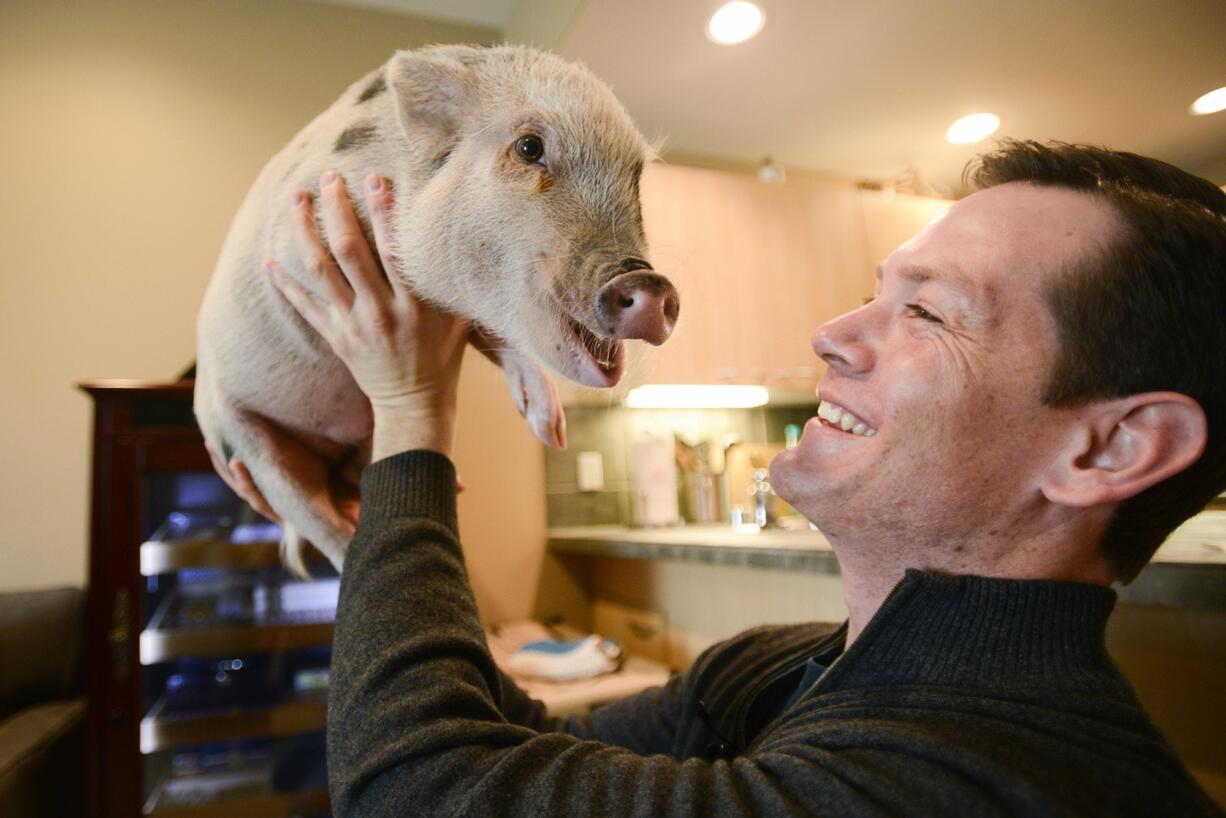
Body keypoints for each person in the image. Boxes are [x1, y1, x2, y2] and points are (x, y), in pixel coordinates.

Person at [216, 140, 1226, 816]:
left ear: (1112, 448)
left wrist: (409, 417)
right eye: (870, 293)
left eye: (926, 311)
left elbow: (417, 790)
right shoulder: (784, 668)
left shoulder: (989, 781)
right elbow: (494, 744)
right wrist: (374, 490)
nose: (832, 334)